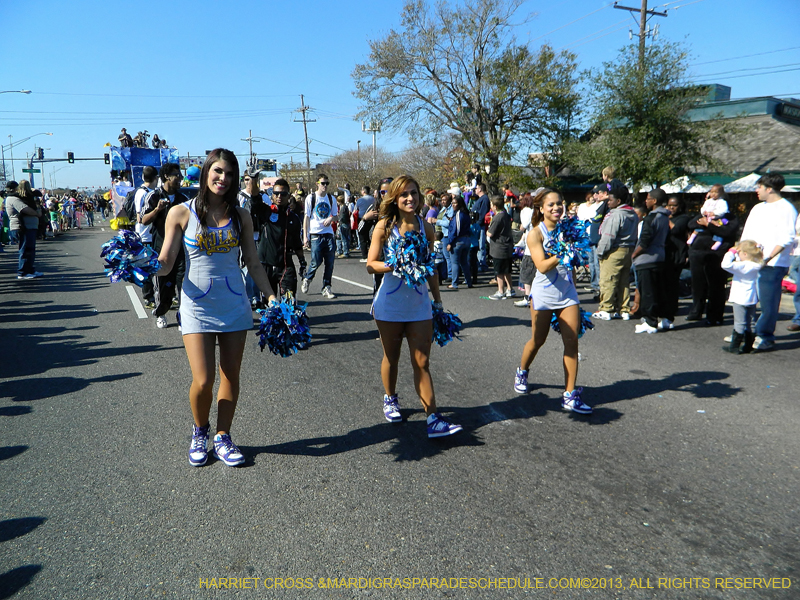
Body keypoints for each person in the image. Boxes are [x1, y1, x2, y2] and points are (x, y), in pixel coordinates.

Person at [157, 148, 277, 467]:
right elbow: (166, 262)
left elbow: (253, 262)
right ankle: (200, 431)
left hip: (234, 304)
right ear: (206, 172)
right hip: (197, 305)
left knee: (230, 375)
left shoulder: (241, 216)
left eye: (229, 174)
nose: (223, 178)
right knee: (203, 380)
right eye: (218, 171)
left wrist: (271, 297)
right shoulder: (180, 213)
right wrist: (143, 266)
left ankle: (223, 436)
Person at [366, 175, 462, 438]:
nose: (410, 198)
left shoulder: (426, 228)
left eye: (414, 193)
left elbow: (430, 269)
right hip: (390, 304)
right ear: (395, 198)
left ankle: (433, 419)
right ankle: (390, 398)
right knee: (391, 357)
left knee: (422, 361)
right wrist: (395, 264)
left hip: (419, 305)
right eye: (404, 194)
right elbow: (370, 264)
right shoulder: (384, 226)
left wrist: (438, 301)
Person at [514, 188, 592, 415]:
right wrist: (563, 252)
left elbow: (572, 263)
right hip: (543, 294)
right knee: (538, 340)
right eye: (551, 204)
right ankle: (522, 371)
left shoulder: (568, 230)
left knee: (572, 342)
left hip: (567, 293)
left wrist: (574, 289)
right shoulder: (535, 234)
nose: (557, 207)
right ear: (541, 208)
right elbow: (542, 266)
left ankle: (569, 394)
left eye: (559, 203)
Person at [739, 173, 798, 351]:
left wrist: (767, 257)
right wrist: (740, 253)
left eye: (759, 187)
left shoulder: (786, 209)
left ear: (769, 188)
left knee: (767, 303)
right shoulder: (758, 208)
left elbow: (787, 238)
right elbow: (747, 233)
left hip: (772, 264)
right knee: (746, 300)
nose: (757, 190)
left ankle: (765, 336)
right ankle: (743, 333)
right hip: (750, 261)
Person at [141, 162, 188, 329]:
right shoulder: (153, 196)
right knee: (163, 286)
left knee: (183, 285)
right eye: (177, 176)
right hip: (161, 249)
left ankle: (182, 316)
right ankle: (161, 314)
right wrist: (157, 210)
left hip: (181, 250)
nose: (180, 179)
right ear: (166, 177)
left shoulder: (183, 200)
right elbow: (143, 220)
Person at [686, 187, 739, 326]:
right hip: (697, 253)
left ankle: (714, 316)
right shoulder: (704, 214)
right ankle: (696, 311)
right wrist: (705, 220)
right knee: (697, 285)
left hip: (716, 255)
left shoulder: (731, 218)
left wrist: (709, 225)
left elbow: (727, 232)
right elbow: (691, 224)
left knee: (716, 287)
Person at [631, 188, 672, 333]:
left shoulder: (651, 218)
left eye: (648, 198)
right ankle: (665, 319)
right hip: (660, 256)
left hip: (647, 258)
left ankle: (650, 321)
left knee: (647, 292)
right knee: (659, 290)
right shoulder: (665, 217)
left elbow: (645, 241)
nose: (646, 201)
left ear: (654, 201)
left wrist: (634, 254)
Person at [594, 185, 638, 320]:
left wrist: (600, 252)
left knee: (608, 280)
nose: (608, 202)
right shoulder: (632, 213)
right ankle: (624, 309)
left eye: (610, 200)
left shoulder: (616, 215)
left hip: (614, 250)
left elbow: (609, 236)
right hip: (628, 249)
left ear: (618, 201)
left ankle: (606, 309)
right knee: (623, 282)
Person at [300, 173, 338, 299]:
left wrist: (331, 218)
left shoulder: (331, 198)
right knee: (316, 261)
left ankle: (327, 287)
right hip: (316, 233)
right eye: (323, 183)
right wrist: (305, 236)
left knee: (330, 262)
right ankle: (307, 278)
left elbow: (336, 216)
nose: (325, 186)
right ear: (317, 184)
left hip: (328, 233)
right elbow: (306, 217)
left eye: (327, 183)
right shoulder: (311, 198)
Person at [721, 241, 763, 353]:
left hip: (740, 298)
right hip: (752, 297)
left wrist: (731, 252)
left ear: (745, 254)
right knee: (751, 322)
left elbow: (725, 265)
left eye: (739, 252)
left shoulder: (741, 266)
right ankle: (749, 346)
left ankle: (734, 346)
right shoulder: (757, 264)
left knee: (739, 322)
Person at [5, 181, 43, 279]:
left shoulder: (22, 198)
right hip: (22, 227)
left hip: (30, 227)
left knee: (30, 250)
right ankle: (22, 272)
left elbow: (38, 195)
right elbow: (25, 209)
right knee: (25, 250)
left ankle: (30, 270)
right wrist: (36, 213)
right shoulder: (13, 199)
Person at [135, 166, 159, 309]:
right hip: (145, 236)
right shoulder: (142, 193)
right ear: (156, 178)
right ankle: (148, 297)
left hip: (153, 235)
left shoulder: (151, 192)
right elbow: (140, 217)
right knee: (146, 267)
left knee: (155, 267)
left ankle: (157, 295)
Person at [486, 195, 515, 299]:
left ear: (495, 206)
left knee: (499, 272)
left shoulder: (498, 217)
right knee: (507, 271)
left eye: (491, 205)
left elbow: (490, 233)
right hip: (507, 246)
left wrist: (487, 231)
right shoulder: (506, 215)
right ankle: (510, 289)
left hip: (499, 248)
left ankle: (501, 291)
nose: (490, 206)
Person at [444, 193, 473, 290]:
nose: (453, 205)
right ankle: (468, 282)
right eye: (452, 203)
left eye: (455, 203)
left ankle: (454, 283)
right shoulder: (466, 214)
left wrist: (450, 242)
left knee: (455, 262)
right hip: (467, 239)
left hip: (458, 241)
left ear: (459, 204)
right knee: (464, 262)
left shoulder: (458, 214)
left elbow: (456, 230)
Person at [356, 185, 379, 262]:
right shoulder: (373, 199)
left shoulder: (360, 200)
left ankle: (365, 256)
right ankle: (372, 254)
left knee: (362, 237)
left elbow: (356, 210)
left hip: (363, 219)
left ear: (363, 191)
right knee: (370, 237)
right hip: (373, 218)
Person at [335, 193, 351, 258]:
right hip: (345, 224)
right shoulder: (344, 207)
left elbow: (342, 217)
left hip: (343, 224)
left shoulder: (343, 208)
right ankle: (342, 251)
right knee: (342, 238)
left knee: (344, 239)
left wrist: (339, 221)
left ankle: (345, 252)